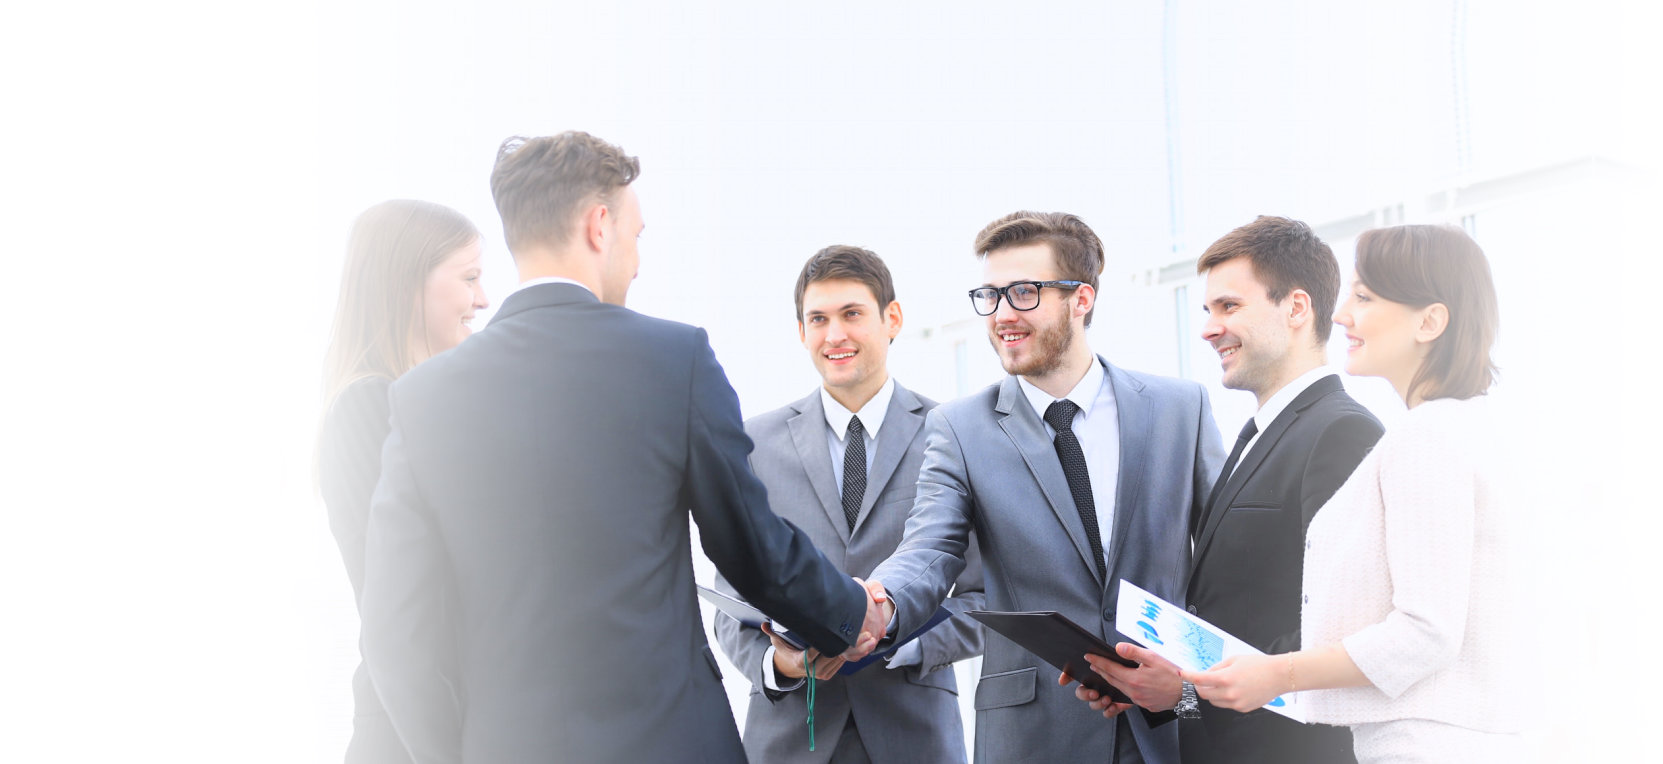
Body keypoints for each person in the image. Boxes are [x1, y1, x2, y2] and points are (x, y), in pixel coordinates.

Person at [357, 131, 888, 764]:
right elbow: (753, 548)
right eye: (637, 236)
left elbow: (394, 635)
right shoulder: (674, 360)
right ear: (599, 225)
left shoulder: (421, 399)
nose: (637, 262)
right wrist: (853, 609)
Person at [865, 211, 1225, 764]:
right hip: (1034, 737)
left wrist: (1197, 689)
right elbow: (929, 549)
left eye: (1024, 292)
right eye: (990, 294)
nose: (1002, 314)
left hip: (1172, 726)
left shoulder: (1181, 408)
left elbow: (1227, 566)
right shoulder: (960, 429)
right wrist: (880, 602)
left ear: (1081, 299)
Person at [1183, 224, 1526, 762]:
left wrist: (1273, 673)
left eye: (1363, 297)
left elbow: (1422, 631)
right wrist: (1186, 690)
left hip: (1413, 742)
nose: (1341, 314)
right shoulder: (1463, 428)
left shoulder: (1417, 435)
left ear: (1431, 321)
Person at [1073, 216, 1383, 762]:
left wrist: (1189, 691)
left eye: (1230, 306)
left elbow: (1343, 635)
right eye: (1208, 311)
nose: (1209, 328)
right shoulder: (1251, 437)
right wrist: (1167, 684)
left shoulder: (1339, 431)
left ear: (1296, 308)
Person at [711, 245, 986, 764]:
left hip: (913, 733)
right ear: (801, 332)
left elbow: (982, 597)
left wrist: (894, 640)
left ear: (892, 319)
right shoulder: (755, 443)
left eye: (852, 314)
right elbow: (734, 609)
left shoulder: (953, 434)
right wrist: (783, 665)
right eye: (818, 319)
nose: (834, 335)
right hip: (789, 737)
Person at [317, 198, 488, 764]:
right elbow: (403, 616)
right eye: (469, 278)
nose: (482, 299)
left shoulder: (409, 407)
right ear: (410, 283)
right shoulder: (369, 407)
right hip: (413, 738)